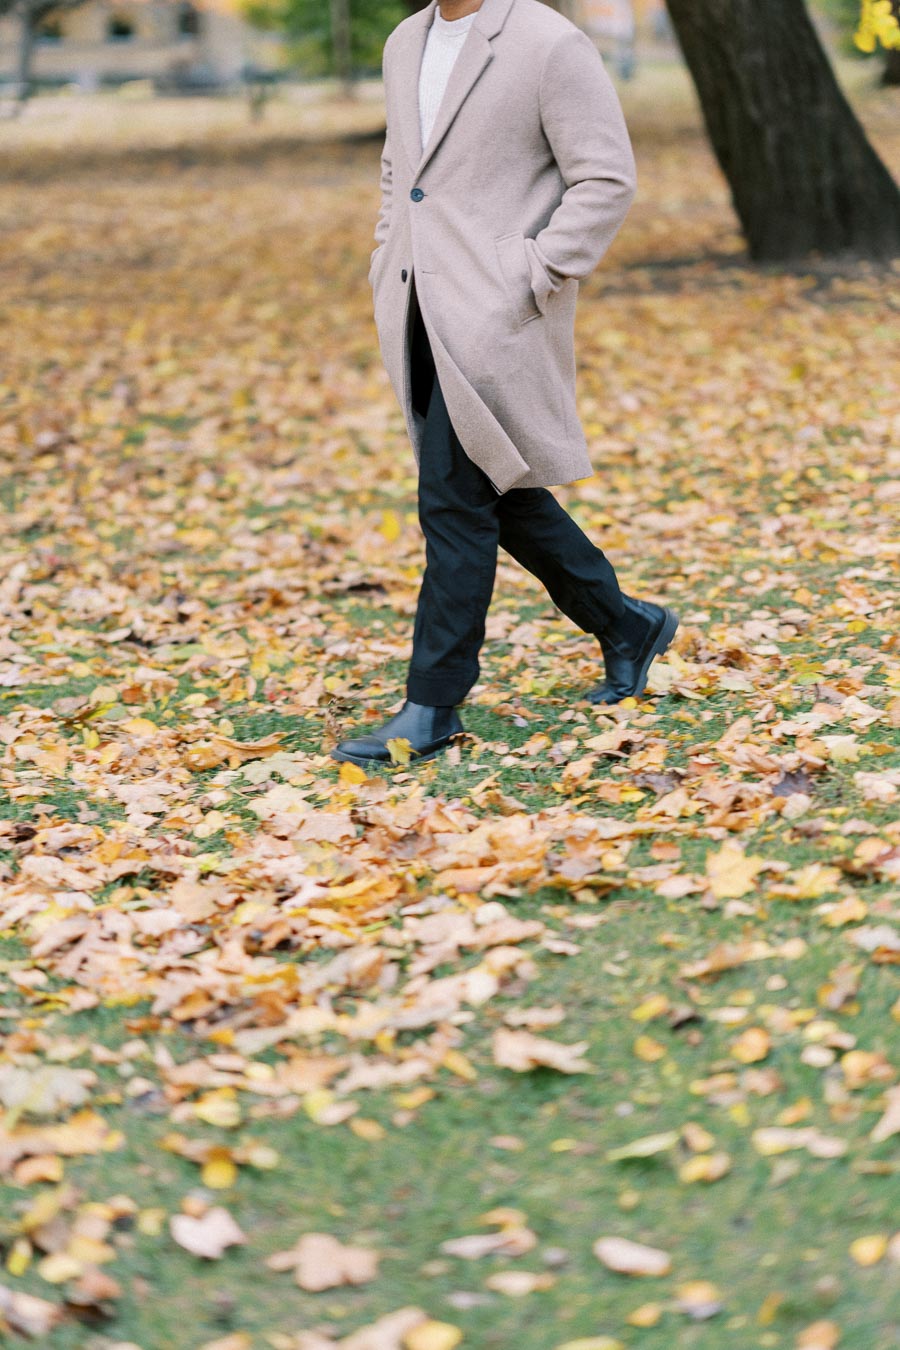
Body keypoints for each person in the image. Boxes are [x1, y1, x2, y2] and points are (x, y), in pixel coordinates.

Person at [333, 0, 677, 768]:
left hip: (494, 315)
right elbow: (400, 167)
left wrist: (531, 275)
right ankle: (626, 625)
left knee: (452, 500)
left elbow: (605, 177)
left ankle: (432, 705)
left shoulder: (549, 43)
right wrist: (388, 253)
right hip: (417, 301)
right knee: (495, 485)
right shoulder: (404, 42)